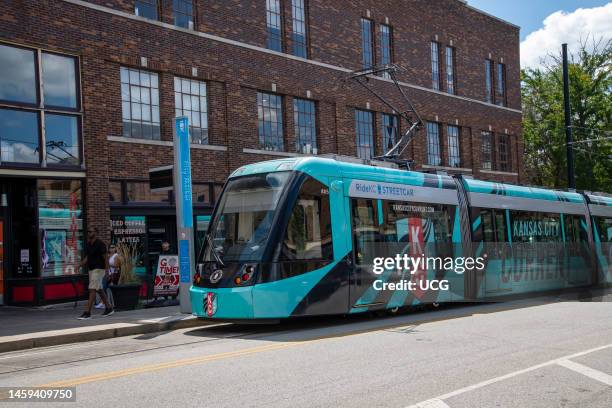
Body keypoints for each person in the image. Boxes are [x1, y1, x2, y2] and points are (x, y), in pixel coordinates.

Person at [78, 227, 114, 319]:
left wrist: (107, 271)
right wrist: (79, 265)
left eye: (90, 231)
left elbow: (105, 257)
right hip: (91, 269)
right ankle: (109, 308)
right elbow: (88, 257)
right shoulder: (88, 244)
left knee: (92, 289)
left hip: (99, 269)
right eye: (88, 232)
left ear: (96, 233)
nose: (89, 233)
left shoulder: (100, 244)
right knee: (99, 289)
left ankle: (87, 312)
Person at [94, 244, 121, 309]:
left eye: (113, 247)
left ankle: (104, 303)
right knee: (103, 288)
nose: (111, 249)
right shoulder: (109, 256)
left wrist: (108, 264)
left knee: (103, 288)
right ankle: (104, 303)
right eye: (110, 248)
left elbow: (117, 266)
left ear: (115, 249)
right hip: (107, 274)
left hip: (113, 275)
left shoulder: (116, 256)